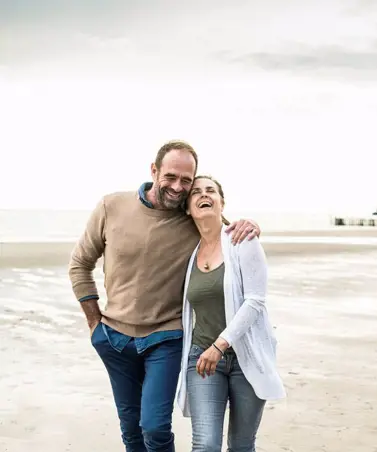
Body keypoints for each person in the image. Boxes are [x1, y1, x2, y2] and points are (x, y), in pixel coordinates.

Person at [68, 140, 262, 452]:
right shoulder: (111, 206)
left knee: (155, 427)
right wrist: (94, 325)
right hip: (114, 338)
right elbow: (80, 264)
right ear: (154, 170)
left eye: (187, 180)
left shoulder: (189, 216)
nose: (178, 186)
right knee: (130, 429)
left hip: (166, 337)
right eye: (171, 176)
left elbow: (222, 224)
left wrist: (248, 224)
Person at [174, 175, 285, 452]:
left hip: (246, 357)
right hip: (203, 358)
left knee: (241, 445)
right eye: (196, 192)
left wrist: (220, 345)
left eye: (211, 190)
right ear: (188, 208)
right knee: (206, 445)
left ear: (222, 203)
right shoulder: (188, 251)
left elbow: (255, 301)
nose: (204, 195)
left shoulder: (241, 240)